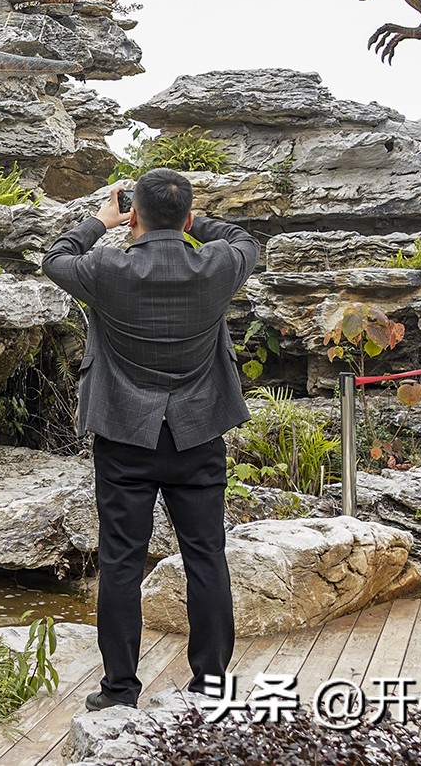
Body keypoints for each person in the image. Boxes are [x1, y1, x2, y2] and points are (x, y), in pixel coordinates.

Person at [41, 167, 259, 711]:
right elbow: (244, 239)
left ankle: (119, 691)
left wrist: (100, 221)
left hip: (125, 435)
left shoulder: (105, 268)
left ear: (132, 214)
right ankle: (211, 685)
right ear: (187, 219)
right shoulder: (217, 265)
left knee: (120, 562)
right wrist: (191, 222)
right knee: (206, 556)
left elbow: (55, 257)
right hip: (198, 434)